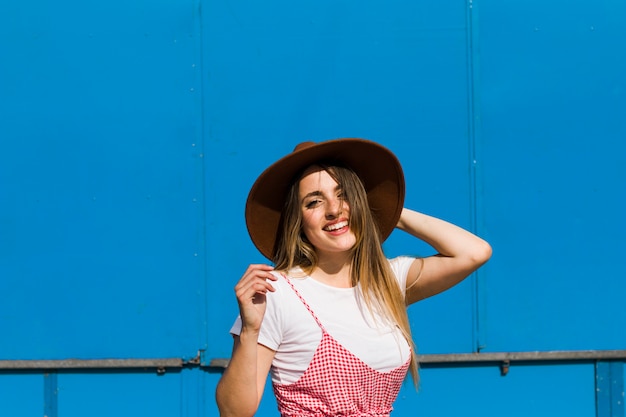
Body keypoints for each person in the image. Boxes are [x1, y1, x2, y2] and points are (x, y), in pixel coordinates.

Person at [215, 138, 492, 417]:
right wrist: (249, 332)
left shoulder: (388, 280)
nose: (334, 210)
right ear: (297, 221)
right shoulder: (278, 292)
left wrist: (385, 209)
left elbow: (474, 252)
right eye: (314, 202)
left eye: (344, 194)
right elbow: (233, 412)